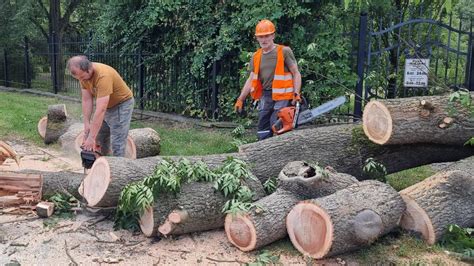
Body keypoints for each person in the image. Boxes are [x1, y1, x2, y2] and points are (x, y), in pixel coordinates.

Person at [234, 19, 302, 140]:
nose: (264, 39)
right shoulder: (256, 56)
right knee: (262, 124)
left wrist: (296, 93)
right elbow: (251, 79)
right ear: (257, 38)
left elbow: (296, 73)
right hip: (265, 95)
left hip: (283, 95)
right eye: (261, 37)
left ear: (273, 36)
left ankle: (279, 152)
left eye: (266, 36)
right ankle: (262, 150)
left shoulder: (284, 51)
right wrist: (241, 99)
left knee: (276, 123)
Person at [67, 55, 134, 157]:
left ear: (89, 69)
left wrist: (91, 138)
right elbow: (87, 100)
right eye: (79, 78)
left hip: (121, 104)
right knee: (100, 136)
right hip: (107, 105)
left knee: (117, 140)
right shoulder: (83, 76)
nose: (81, 80)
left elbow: (101, 109)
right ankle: (102, 165)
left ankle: (120, 166)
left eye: (82, 77)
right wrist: (86, 123)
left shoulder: (103, 76)